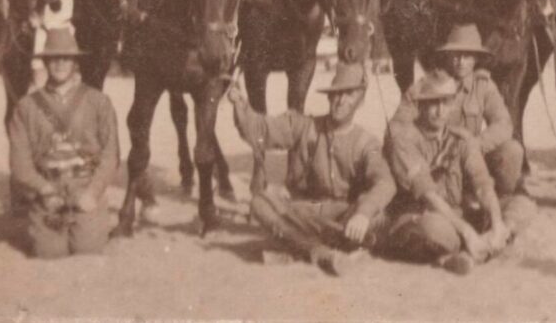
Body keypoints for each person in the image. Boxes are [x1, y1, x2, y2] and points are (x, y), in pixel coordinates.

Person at [227, 62, 396, 277]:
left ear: (360, 102)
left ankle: (299, 247)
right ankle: (321, 252)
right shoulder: (303, 126)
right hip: (305, 213)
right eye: (336, 94)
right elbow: (260, 131)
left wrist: (362, 214)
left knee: (379, 218)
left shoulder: (365, 143)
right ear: (328, 97)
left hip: (344, 217)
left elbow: (385, 182)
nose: (341, 101)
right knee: (260, 203)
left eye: (349, 95)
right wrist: (240, 103)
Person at [382, 73, 534, 275]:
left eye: (445, 103)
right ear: (420, 106)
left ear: (452, 104)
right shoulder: (405, 140)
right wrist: (467, 231)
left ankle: (486, 243)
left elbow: (482, 183)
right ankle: (465, 252)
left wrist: (496, 222)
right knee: (437, 232)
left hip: (457, 212)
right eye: (432, 103)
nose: (439, 110)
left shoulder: (461, 139)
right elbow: (428, 194)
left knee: (523, 205)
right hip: (422, 213)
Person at [8, 27, 120, 258]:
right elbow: (20, 164)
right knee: (49, 252)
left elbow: (111, 155)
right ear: (46, 63)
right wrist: (45, 190)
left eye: (66, 57)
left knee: (87, 249)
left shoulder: (98, 102)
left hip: (85, 186)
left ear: (75, 62)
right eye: (53, 58)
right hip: (49, 190)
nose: (59, 63)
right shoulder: (26, 107)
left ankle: (93, 219)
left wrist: (93, 192)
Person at [393, 23, 523, 195]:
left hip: (470, 158)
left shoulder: (483, 85)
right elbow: (398, 125)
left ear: (476, 58)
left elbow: (504, 124)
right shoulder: (428, 84)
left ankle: (498, 201)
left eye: (467, 55)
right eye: (456, 55)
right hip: (435, 160)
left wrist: (476, 143)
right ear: (447, 56)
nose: (461, 62)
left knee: (513, 150)